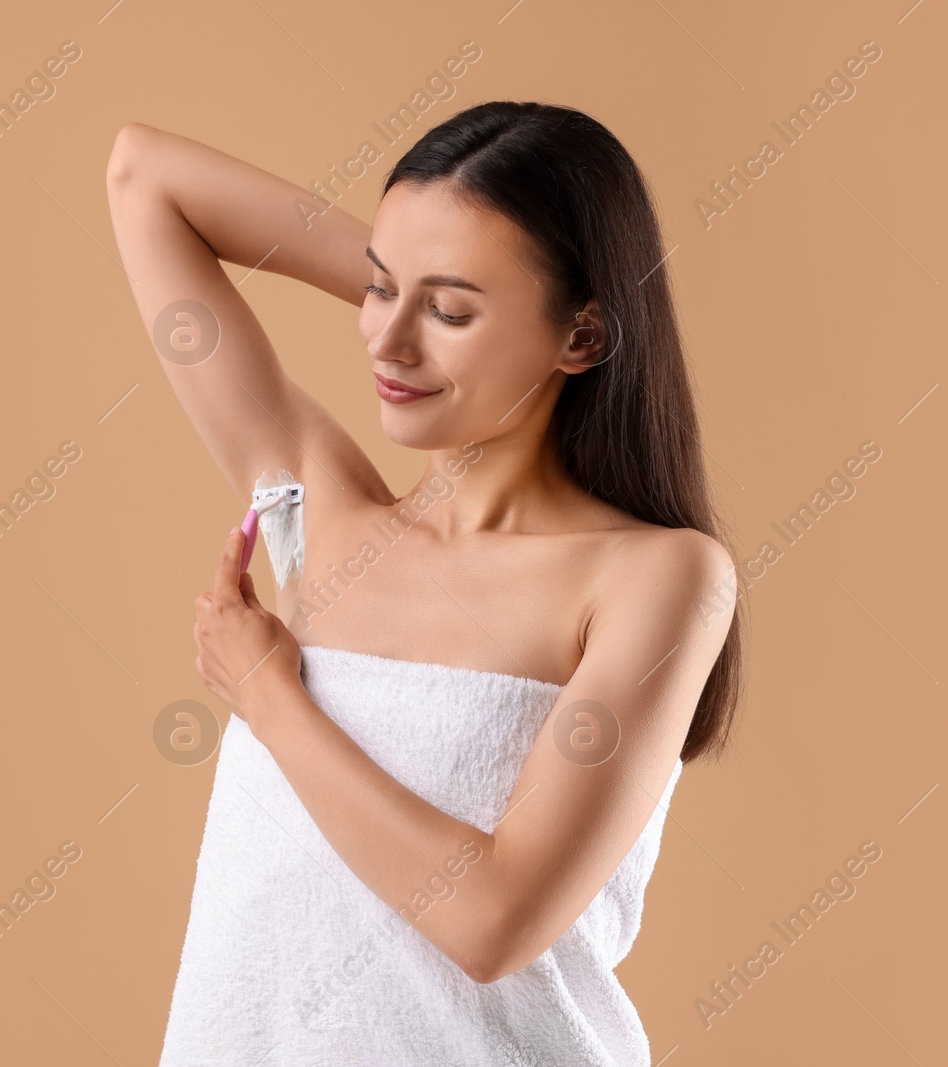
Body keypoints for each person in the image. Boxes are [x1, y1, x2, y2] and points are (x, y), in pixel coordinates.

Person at [106, 100, 746, 1066]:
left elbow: (493, 923)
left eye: (449, 312)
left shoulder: (658, 577)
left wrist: (269, 695)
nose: (386, 343)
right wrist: (424, 271)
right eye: (376, 292)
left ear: (583, 336)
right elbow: (143, 177)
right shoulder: (325, 518)